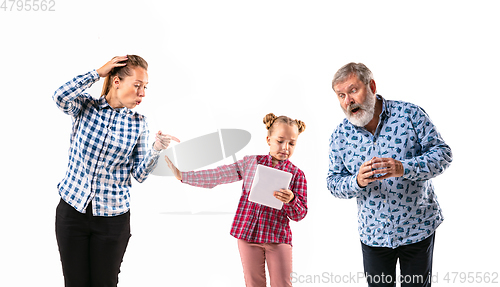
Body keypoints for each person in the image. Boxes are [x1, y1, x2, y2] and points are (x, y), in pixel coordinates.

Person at [53, 55, 180, 287]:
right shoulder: (85, 107)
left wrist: (156, 149)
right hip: (72, 213)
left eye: (145, 88)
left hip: (112, 220)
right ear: (117, 81)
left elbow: (139, 175)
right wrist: (97, 72)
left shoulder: (138, 123)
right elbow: (60, 96)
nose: (142, 94)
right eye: (137, 85)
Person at [326, 63, 453, 287]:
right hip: (373, 236)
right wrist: (356, 181)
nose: (348, 101)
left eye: (353, 90)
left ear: (371, 86)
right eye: (341, 95)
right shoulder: (339, 136)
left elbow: (443, 155)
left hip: (417, 229)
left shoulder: (410, 114)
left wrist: (404, 168)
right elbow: (333, 182)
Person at [165, 113, 308, 287]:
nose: (285, 147)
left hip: (278, 238)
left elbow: (300, 214)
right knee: (253, 284)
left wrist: (291, 200)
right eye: (280, 141)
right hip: (248, 236)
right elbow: (218, 175)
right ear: (268, 139)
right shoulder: (250, 163)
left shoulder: (297, 175)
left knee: (282, 284)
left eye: (292, 143)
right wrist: (183, 176)